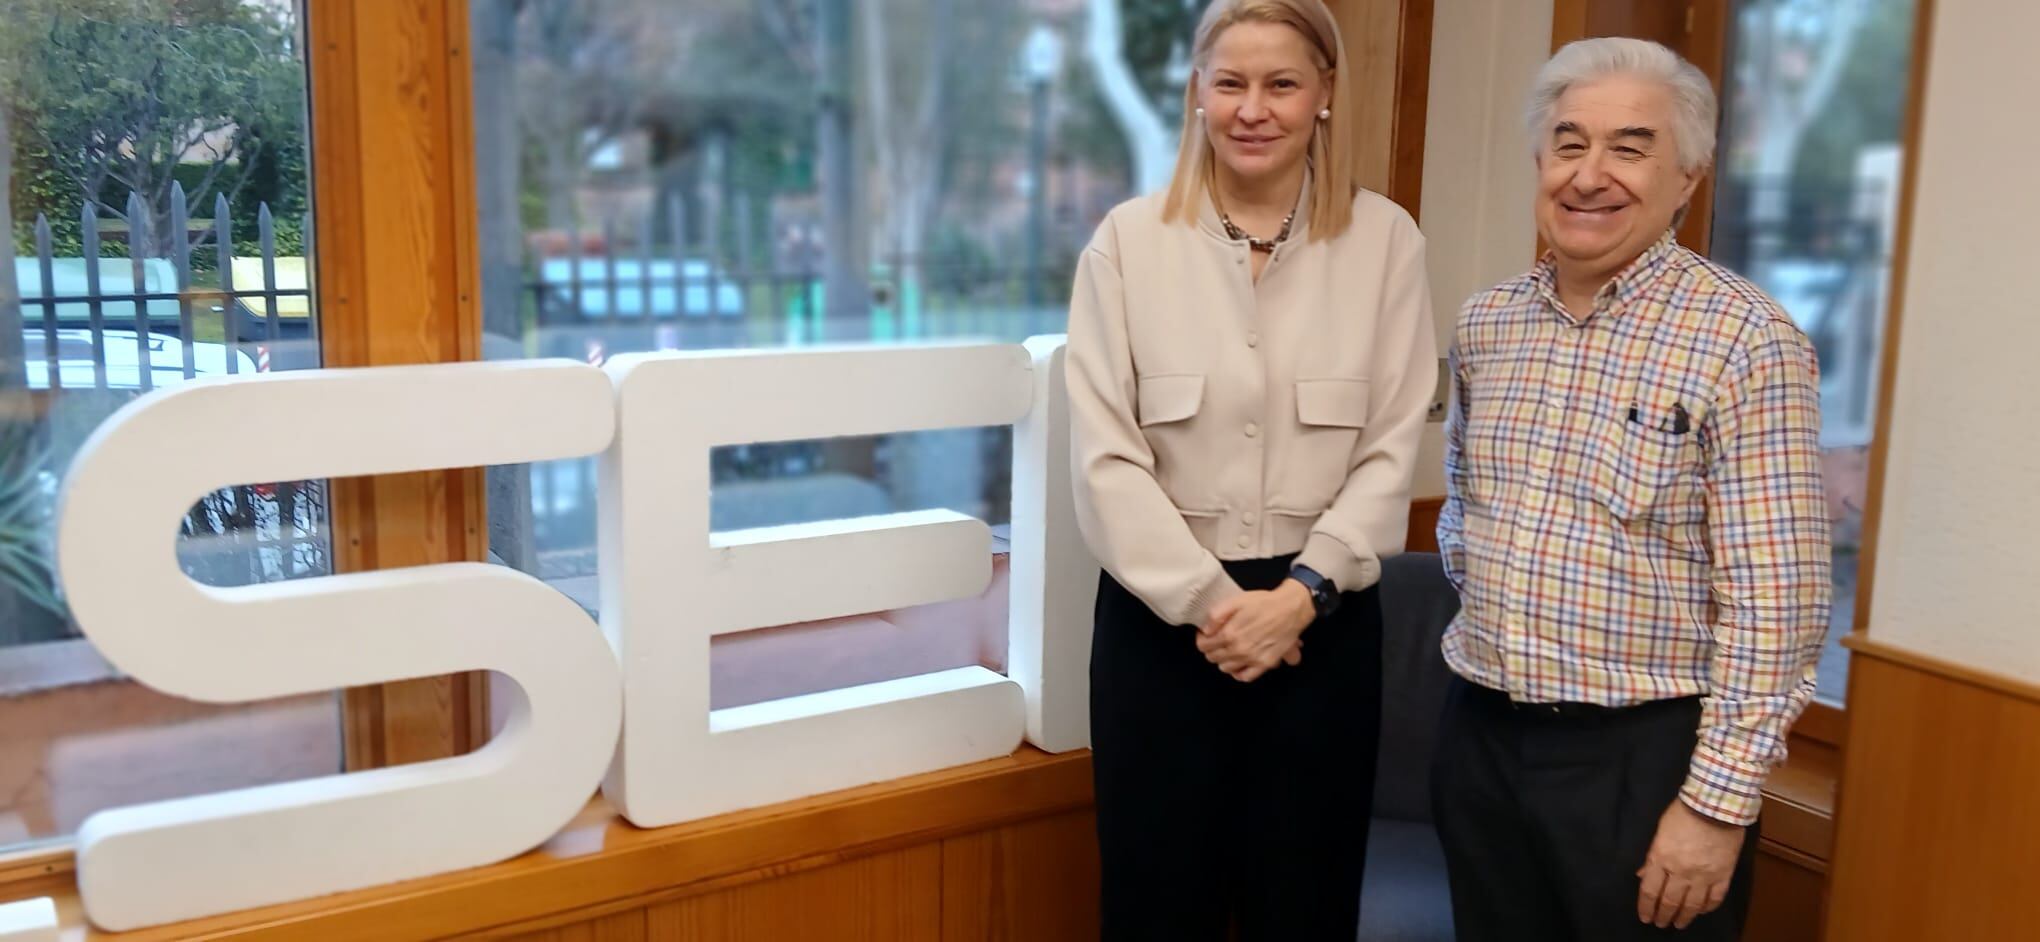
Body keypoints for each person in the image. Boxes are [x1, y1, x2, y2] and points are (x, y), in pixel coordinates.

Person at [1433, 37, 1832, 941]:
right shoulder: (1489, 324)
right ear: (1540, 163)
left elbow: (1779, 605)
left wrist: (1717, 807)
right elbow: (1464, 516)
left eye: (1630, 146)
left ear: (1687, 175)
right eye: (1569, 144)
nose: (1590, 175)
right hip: (1482, 738)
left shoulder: (1746, 338)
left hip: (1645, 762)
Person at [1064, 0, 1435, 937]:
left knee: (1303, 904)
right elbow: (1106, 459)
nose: (1253, 108)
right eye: (1230, 83)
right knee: (1156, 902)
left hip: (1324, 627)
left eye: (1282, 83)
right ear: (1197, 94)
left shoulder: (1387, 242)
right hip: (1163, 630)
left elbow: (1392, 447)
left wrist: (1301, 593)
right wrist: (1215, 608)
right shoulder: (1127, 244)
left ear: (1323, 96)